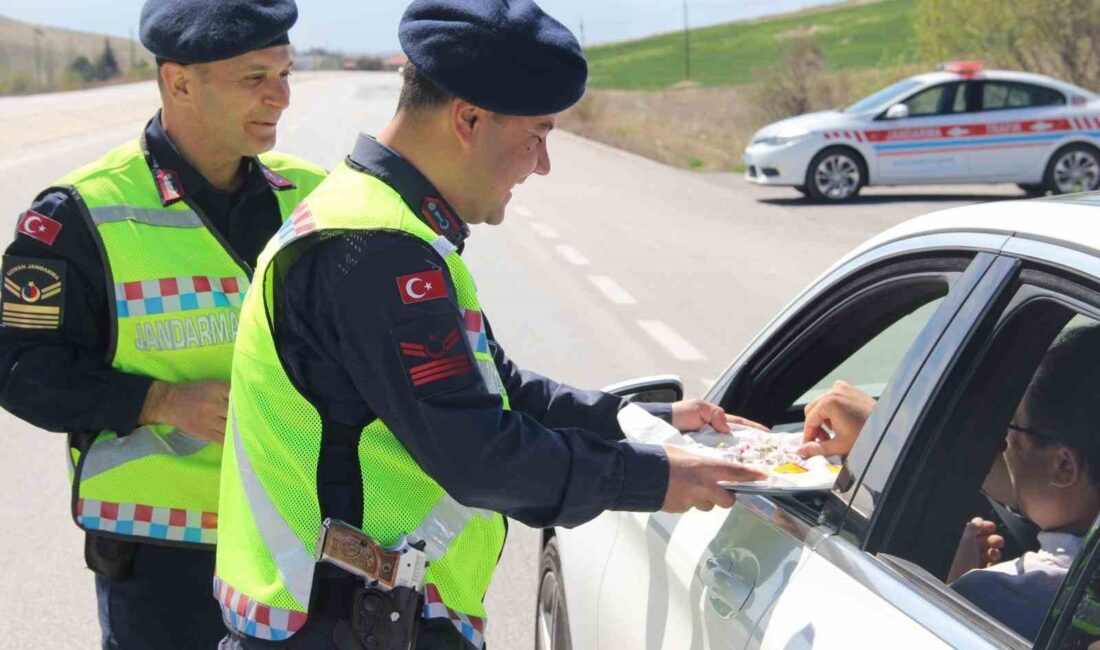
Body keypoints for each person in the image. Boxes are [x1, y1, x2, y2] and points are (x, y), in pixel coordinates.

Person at [213, 1, 765, 647]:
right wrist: (656, 476)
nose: (542, 163)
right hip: (338, 623)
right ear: (468, 118)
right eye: (538, 134)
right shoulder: (376, 249)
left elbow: (493, 387)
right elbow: (481, 457)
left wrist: (641, 422)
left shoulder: (378, 220)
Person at [0, 1, 326, 647]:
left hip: (304, 536)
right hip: (164, 554)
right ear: (180, 82)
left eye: (286, 74)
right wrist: (159, 401)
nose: (280, 97)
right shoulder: (79, 214)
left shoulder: (314, 198)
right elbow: (20, 369)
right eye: (254, 78)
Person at [800, 326, 1100, 642]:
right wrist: (889, 430)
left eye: (1013, 429)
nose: (1003, 443)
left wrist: (950, 591)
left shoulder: (997, 599)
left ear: (1064, 466)